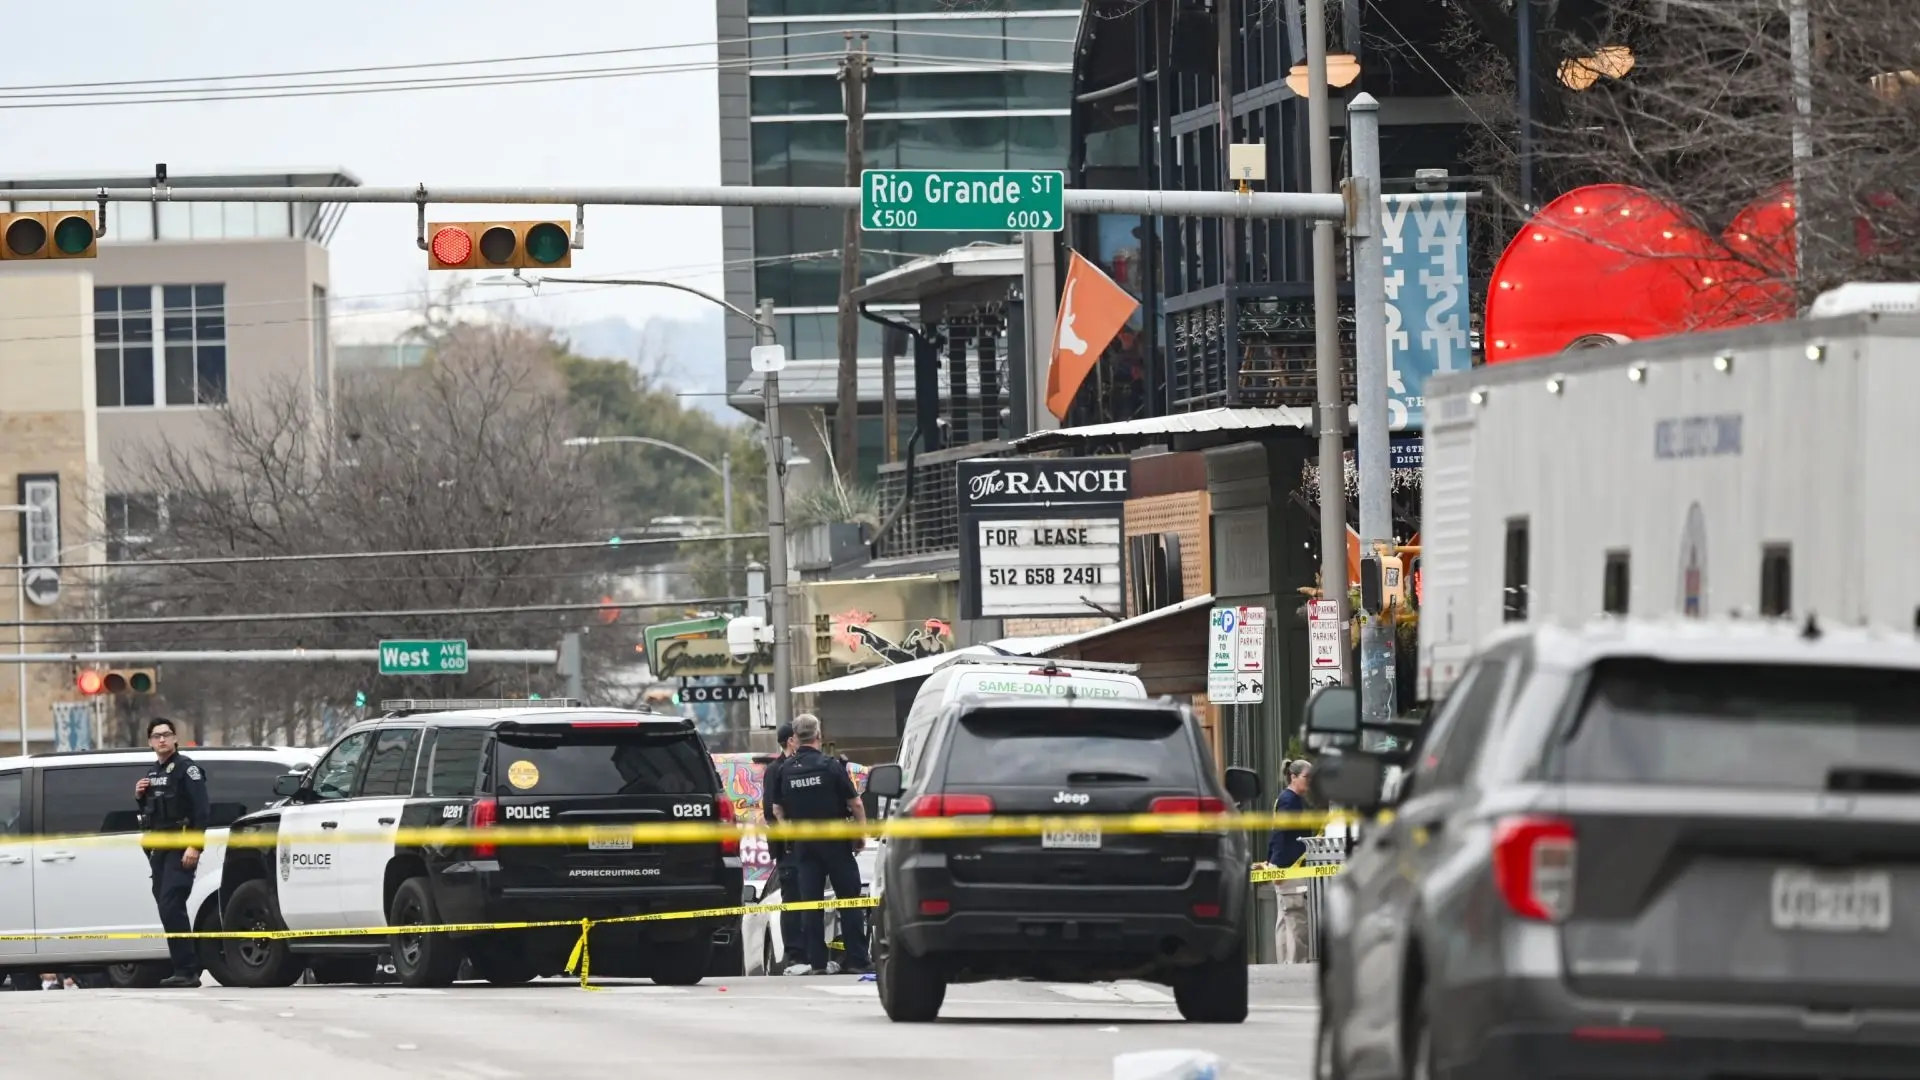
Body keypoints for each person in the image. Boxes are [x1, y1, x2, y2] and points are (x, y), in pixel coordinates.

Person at [770, 713, 870, 976]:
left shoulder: (786, 769)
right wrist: (860, 833)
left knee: (810, 905)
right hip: (835, 841)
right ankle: (858, 959)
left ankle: (817, 963)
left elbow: (777, 809)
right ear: (818, 734)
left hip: (804, 845)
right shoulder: (829, 765)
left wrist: (790, 833)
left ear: (796, 736)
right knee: (849, 900)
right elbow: (855, 803)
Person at [134, 717, 210, 988]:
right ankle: (183, 968)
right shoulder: (153, 772)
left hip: (181, 844)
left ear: (176, 738)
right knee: (166, 906)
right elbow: (151, 814)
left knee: (171, 903)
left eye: (166, 735)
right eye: (156, 736)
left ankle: (187, 970)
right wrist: (140, 797)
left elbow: (202, 810)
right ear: (150, 742)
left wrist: (195, 845)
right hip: (160, 847)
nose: (162, 740)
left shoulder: (187, 770)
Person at [759, 722, 808, 972]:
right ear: (791, 741)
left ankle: (809, 951)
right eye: (800, 739)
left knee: (808, 899)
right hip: (788, 848)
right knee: (793, 900)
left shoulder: (799, 767)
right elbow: (769, 810)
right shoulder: (776, 769)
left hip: (805, 847)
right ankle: (795, 954)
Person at [1267, 759, 1314, 964]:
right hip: (1290, 868)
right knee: (1295, 919)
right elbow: (1280, 832)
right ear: (1293, 777)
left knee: (1285, 919)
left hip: (1285, 866)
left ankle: (1285, 965)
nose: (1310, 782)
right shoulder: (1289, 801)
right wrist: (1276, 864)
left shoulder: (1287, 799)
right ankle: (1296, 967)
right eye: (1307, 777)